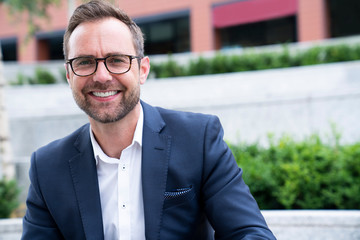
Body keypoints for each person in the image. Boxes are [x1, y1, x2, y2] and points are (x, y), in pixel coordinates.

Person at [22, 1, 276, 239]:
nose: (101, 76)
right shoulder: (47, 168)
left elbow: (251, 233)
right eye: (85, 62)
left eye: (116, 60)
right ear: (69, 74)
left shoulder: (198, 140)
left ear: (142, 70)